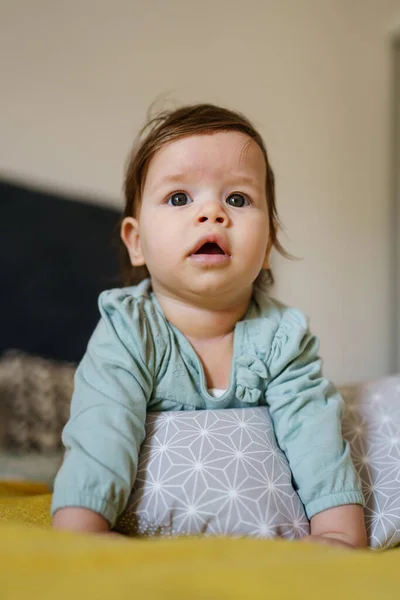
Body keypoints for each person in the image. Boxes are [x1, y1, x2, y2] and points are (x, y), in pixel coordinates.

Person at [51, 103, 367, 548]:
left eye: (237, 199)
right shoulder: (129, 330)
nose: (212, 213)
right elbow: (101, 427)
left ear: (269, 244)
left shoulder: (282, 338)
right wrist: (82, 533)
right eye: (180, 198)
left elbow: (315, 435)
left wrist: (338, 534)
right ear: (137, 242)